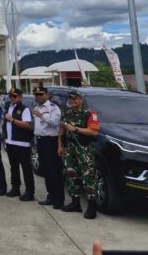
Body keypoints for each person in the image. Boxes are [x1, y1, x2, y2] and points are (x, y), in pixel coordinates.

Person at [59, 90, 99, 219]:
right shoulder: (67, 112)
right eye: (71, 99)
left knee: (88, 177)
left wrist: (75, 129)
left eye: (75, 99)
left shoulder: (89, 114)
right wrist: (59, 145)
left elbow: (93, 132)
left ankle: (92, 207)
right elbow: (61, 129)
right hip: (70, 148)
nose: (73, 101)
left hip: (84, 149)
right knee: (70, 174)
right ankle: (75, 203)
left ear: (81, 100)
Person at [32, 84, 64, 209]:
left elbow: (55, 122)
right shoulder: (36, 107)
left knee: (54, 171)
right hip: (40, 141)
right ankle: (50, 196)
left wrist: (41, 115)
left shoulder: (53, 107)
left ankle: (59, 199)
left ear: (47, 95)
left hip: (51, 141)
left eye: (40, 94)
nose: (38, 97)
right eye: (36, 95)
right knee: (46, 170)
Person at [3, 87, 35, 201]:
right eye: (10, 96)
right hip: (10, 141)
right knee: (14, 167)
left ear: (20, 97)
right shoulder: (8, 107)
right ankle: (15, 188)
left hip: (22, 143)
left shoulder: (24, 109)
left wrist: (12, 120)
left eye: (15, 96)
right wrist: (5, 138)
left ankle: (29, 191)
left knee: (26, 168)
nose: (12, 98)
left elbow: (27, 125)